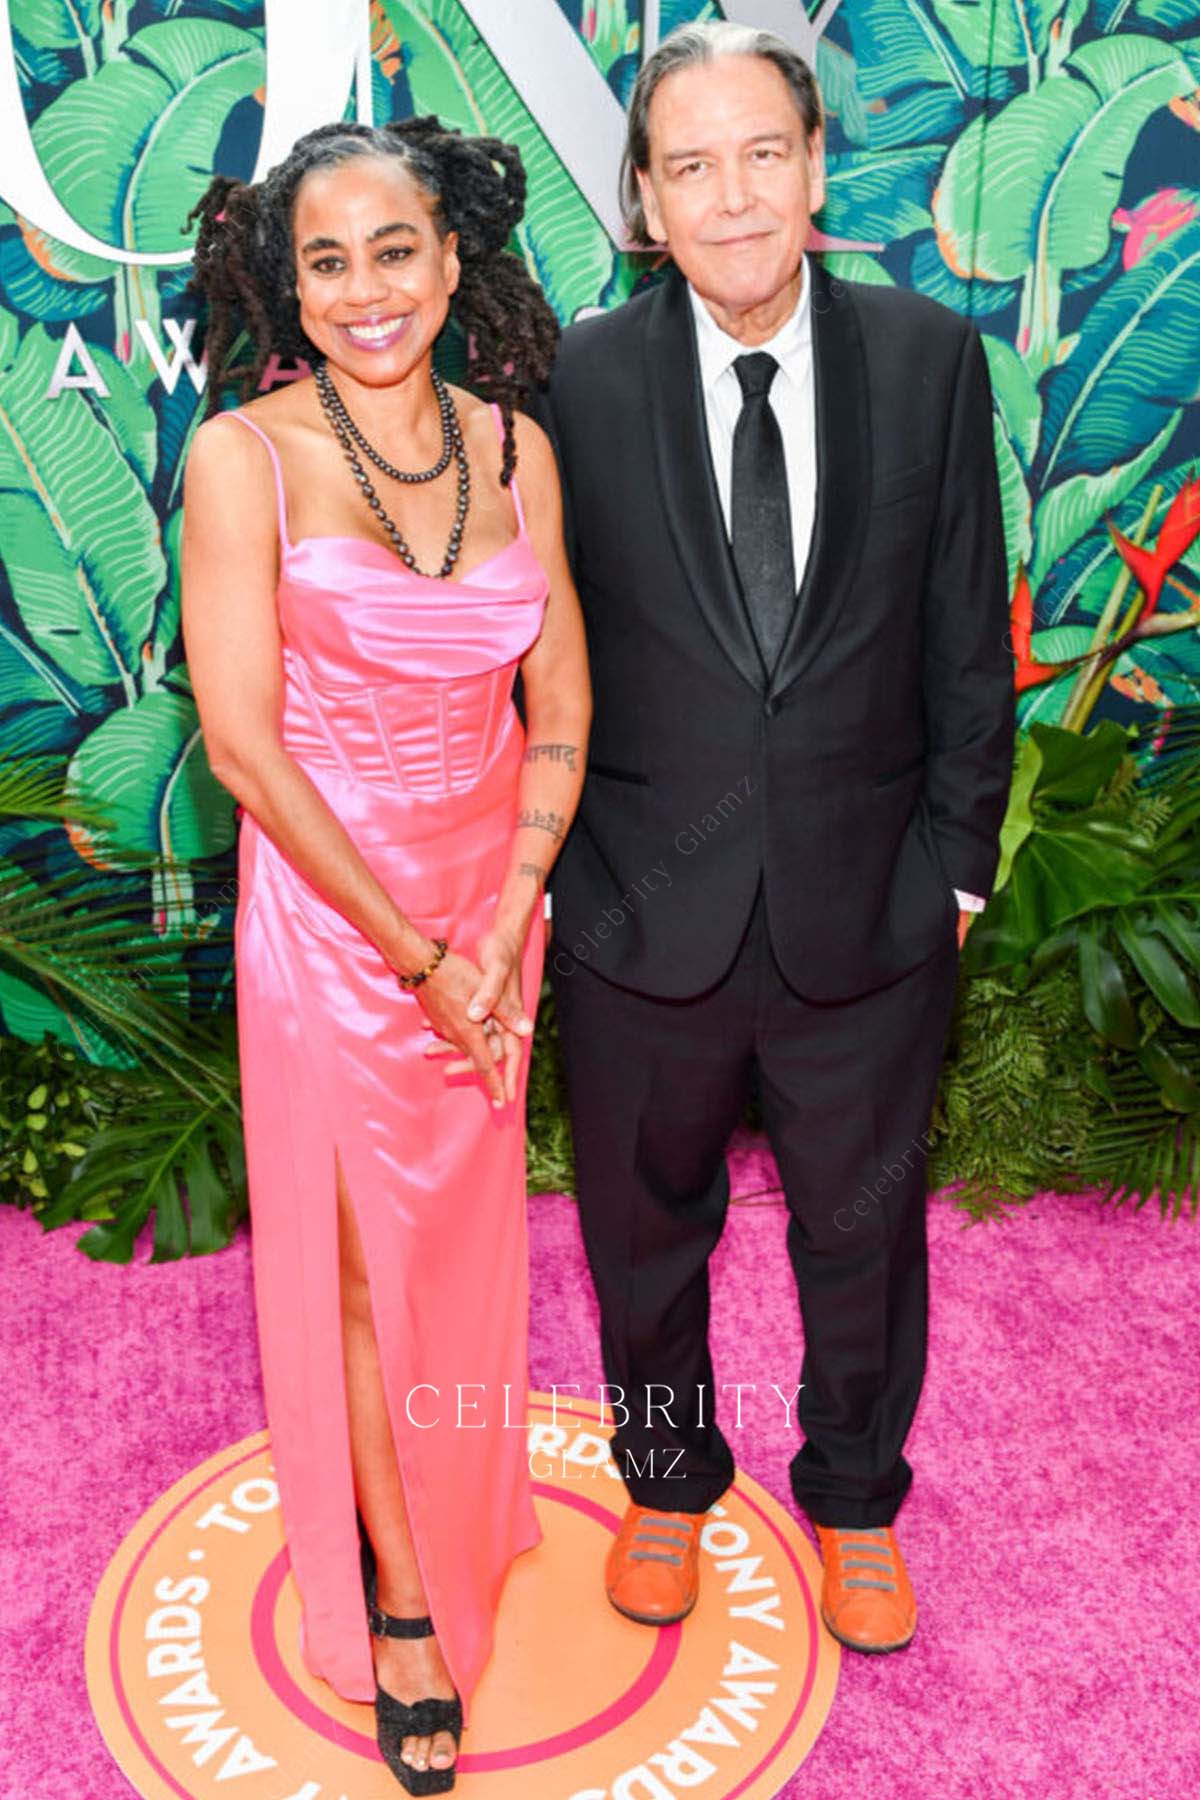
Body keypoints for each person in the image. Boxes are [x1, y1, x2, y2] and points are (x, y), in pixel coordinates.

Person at [540, 23, 1014, 1656]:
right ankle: (666, 1484)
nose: (731, 196)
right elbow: (543, 650)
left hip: (867, 910)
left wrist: (959, 868)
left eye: (762, 155)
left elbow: (967, 637)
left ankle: (860, 1498)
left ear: (816, 170)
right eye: (690, 165)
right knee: (640, 1222)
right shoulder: (578, 380)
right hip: (637, 914)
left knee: (862, 1226)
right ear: (646, 201)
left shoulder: (929, 358)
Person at [181, 117, 590, 1793]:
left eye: (395, 250)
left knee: (471, 1245)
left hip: (493, 914)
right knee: (360, 1262)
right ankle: (404, 1605)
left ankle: (464, 1505)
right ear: (290, 281)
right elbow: (243, 756)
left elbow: (558, 704)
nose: (366, 291)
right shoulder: (245, 458)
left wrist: (504, 917)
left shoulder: (514, 449)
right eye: (327, 260)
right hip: (339, 922)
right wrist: (420, 950)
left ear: (451, 258)